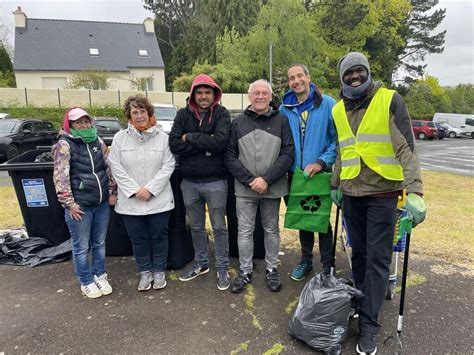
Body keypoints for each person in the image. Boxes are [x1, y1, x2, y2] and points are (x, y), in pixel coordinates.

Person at [331, 52, 426, 355]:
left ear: (368, 72)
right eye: (349, 73)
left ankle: (369, 325)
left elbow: (406, 147)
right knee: (357, 253)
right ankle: (362, 300)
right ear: (342, 78)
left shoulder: (389, 99)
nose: (355, 76)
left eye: (360, 71)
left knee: (378, 258)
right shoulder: (337, 109)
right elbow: (341, 150)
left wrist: (415, 191)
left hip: (383, 193)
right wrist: (336, 183)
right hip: (351, 193)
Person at [225, 79, 295, 293]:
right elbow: (229, 155)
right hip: (245, 189)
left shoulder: (282, 121)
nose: (261, 96)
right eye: (256, 93)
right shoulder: (237, 122)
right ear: (249, 96)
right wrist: (249, 180)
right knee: (244, 231)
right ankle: (245, 271)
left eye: (265, 93)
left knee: (271, 230)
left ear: (271, 97)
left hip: (272, 188)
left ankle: (272, 269)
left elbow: (288, 152)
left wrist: (266, 179)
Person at [169, 74, 232, 291]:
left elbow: (221, 142)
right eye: (199, 92)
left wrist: (191, 137)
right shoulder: (182, 115)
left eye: (207, 92)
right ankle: (201, 262)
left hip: (215, 181)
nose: (203, 96)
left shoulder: (222, 114)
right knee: (196, 226)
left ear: (214, 94)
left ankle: (222, 266)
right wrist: (206, 144)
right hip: (189, 183)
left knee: (219, 227)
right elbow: (175, 145)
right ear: (193, 94)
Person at [109, 94, 175, 292]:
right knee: (138, 239)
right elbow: (115, 166)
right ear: (129, 117)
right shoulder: (119, 138)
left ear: (149, 114)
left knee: (159, 236)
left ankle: (159, 271)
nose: (139, 116)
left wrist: (150, 189)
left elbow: (168, 165)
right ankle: (145, 271)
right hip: (131, 202)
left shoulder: (163, 139)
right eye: (134, 112)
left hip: (159, 199)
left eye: (142, 111)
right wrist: (135, 190)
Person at [279, 63, 337, 281]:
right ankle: (305, 261)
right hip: (295, 175)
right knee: (303, 219)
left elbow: (336, 141)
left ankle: (328, 266)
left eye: (299, 76)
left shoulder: (328, 104)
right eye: (291, 78)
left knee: (321, 221)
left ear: (308, 77)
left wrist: (322, 162)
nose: (296, 81)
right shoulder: (284, 108)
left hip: (319, 174)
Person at [52, 107, 114, 299]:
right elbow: (60, 176)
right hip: (80, 206)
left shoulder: (99, 141)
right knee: (81, 246)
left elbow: (108, 168)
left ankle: (100, 275)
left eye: (86, 121)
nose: (84, 125)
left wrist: (112, 192)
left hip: (101, 202)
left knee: (99, 243)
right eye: (79, 122)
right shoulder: (64, 145)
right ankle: (86, 281)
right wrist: (69, 203)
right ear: (70, 125)